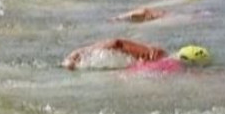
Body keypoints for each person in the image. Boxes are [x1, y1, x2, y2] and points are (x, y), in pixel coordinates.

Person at [61, 38, 210, 72]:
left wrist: (79, 54)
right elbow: (117, 43)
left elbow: (117, 43)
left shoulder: (157, 55)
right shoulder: (158, 56)